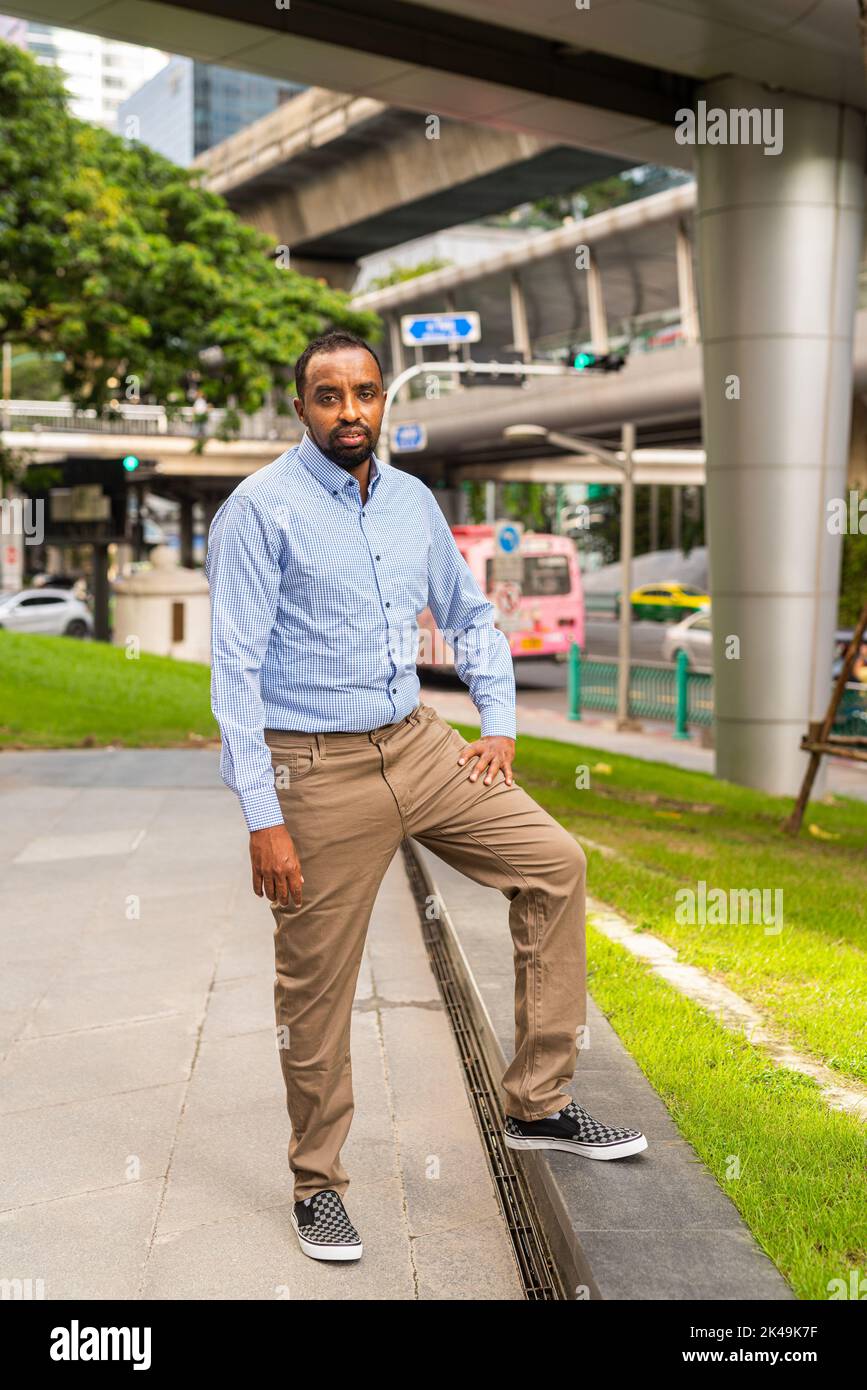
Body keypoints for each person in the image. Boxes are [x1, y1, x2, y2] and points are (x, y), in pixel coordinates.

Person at [205, 330, 647, 1263]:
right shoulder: (258, 511)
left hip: (419, 744)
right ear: (301, 408)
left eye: (365, 392)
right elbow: (234, 673)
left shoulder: (411, 502)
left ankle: (538, 1102)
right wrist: (263, 817)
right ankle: (317, 1184)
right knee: (317, 987)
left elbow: (471, 615)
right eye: (329, 396)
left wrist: (499, 724)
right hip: (313, 769)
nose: (352, 411)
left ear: (382, 400)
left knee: (554, 866)